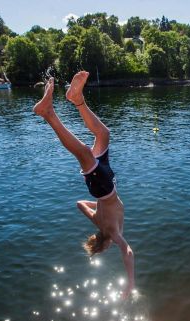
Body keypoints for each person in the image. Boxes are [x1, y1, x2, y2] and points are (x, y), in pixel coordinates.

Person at [33, 72, 135, 295]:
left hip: (104, 186)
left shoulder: (111, 232)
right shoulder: (98, 221)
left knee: (83, 152)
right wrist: (98, 207)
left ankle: (48, 113)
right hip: (105, 186)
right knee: (103, 134)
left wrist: (130, 283)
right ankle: (76, 98)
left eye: (106, 247)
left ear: (105, 243)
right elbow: (80, 203)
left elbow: (128, 252)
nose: (111, 246)